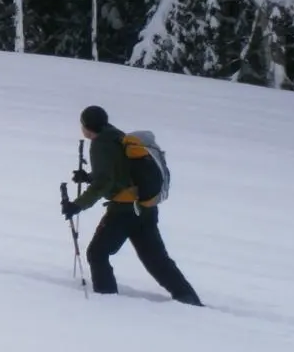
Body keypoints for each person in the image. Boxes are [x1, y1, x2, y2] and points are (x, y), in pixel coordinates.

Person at [62, 105, 200, 305]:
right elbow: (120, 172)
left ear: (86, 127)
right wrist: (89, 177)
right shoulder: (118, 136)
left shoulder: (100, 144)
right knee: (157, 261)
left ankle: (106, 302)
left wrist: (77, 205)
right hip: (145, 209)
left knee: (97, 253)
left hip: (123, 212)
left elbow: (105, 182)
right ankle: (189, 299)